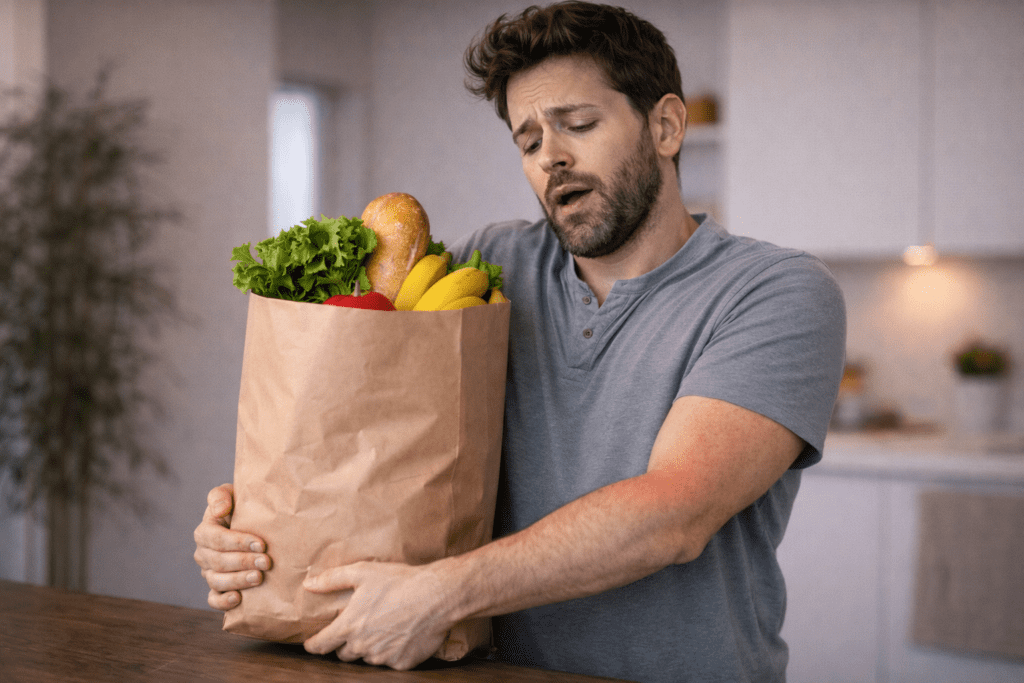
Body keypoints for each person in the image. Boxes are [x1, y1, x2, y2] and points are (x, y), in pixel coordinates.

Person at [193, 3, 846, 681]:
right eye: (528, 141)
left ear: (666, 125)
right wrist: (262, 533)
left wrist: (442, 591)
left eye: (578, 124)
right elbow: (385, 453)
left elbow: (675, 510)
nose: (551, 158)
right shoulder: (489, 268)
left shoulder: (777, 291)